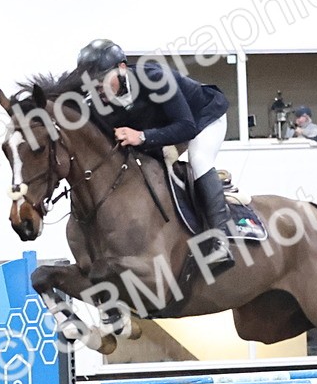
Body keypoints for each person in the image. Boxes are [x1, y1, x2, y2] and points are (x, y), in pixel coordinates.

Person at [76, 38, 234, 272]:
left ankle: (221, 238)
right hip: (162, 130)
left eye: (100, 81)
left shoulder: (156, 79)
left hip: (202, 118)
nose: (96, 89)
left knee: (199, 159)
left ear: (122, 69)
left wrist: (141, 137)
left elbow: (187, 128)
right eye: (90, 84)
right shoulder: (97, 103)